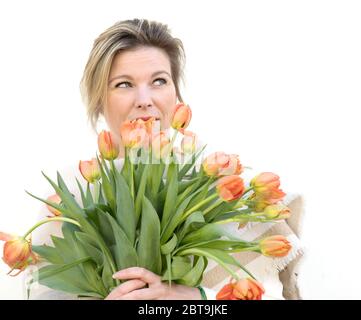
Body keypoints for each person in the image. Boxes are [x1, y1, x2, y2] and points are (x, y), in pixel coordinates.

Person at [24, 18, 304, 300]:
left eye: (159, 80)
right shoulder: (70, 195)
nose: (144, 99)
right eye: (123, 84)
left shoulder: (222, 187)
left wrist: (195, 298)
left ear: (176, 93)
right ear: (99, 100)